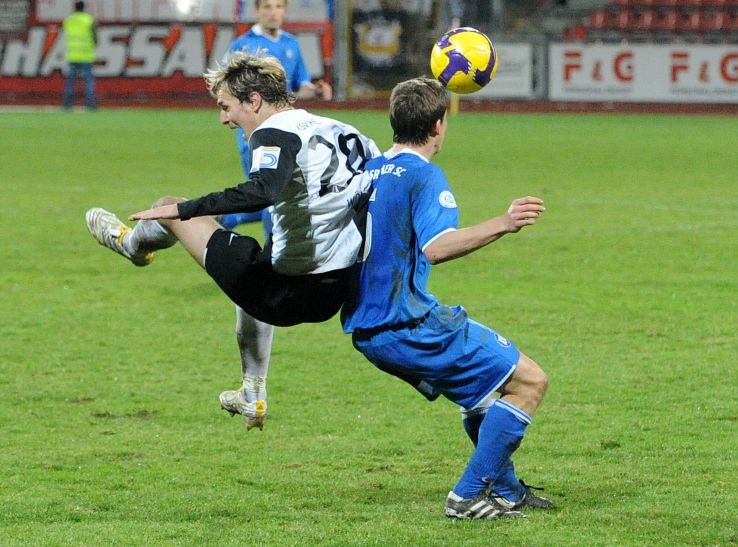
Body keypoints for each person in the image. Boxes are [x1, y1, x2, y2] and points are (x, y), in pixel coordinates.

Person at [85, 52, 379, 431]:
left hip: (287, 292)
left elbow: (263, 191)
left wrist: (189, 210)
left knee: (168, 206)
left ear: (253, 100)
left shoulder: (273, 133)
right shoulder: (343, 130)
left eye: (226, 107)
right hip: (340, 289)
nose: (224, 118)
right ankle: (252, 393)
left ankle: (132, 246)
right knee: (252, 260)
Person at [341, 77, 552, 519]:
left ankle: (508, 491)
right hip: (406, 324)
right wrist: (504, 222)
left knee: (480, 395)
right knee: (530, 382)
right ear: (439, 125)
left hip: (367, 327)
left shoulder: (369, 170)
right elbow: (436, 246)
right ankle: (467, 495)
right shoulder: (423, 176)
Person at [222, 0, 333, 237]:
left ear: (285, 10)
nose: (273, 13)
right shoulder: (242, 46)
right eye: (268, 7)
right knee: (272, 192)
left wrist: (315, 91)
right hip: (254, 132)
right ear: (257, 11)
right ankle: (273, 259)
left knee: (281, 191)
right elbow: (224, 89)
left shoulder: (291, 43)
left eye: (278, 7)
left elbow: (299, 87)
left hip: (287, 130)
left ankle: (229, 217)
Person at [62, 1, 97, 110]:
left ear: (75, 8)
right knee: (88, 81)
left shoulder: (68, 20)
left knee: (70, 82)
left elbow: (66, 33)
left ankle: (67, 105)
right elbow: (95, 36)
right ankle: (90, 105)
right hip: (86, 55)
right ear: (84, 7)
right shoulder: (88, 20)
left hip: (72, 55)